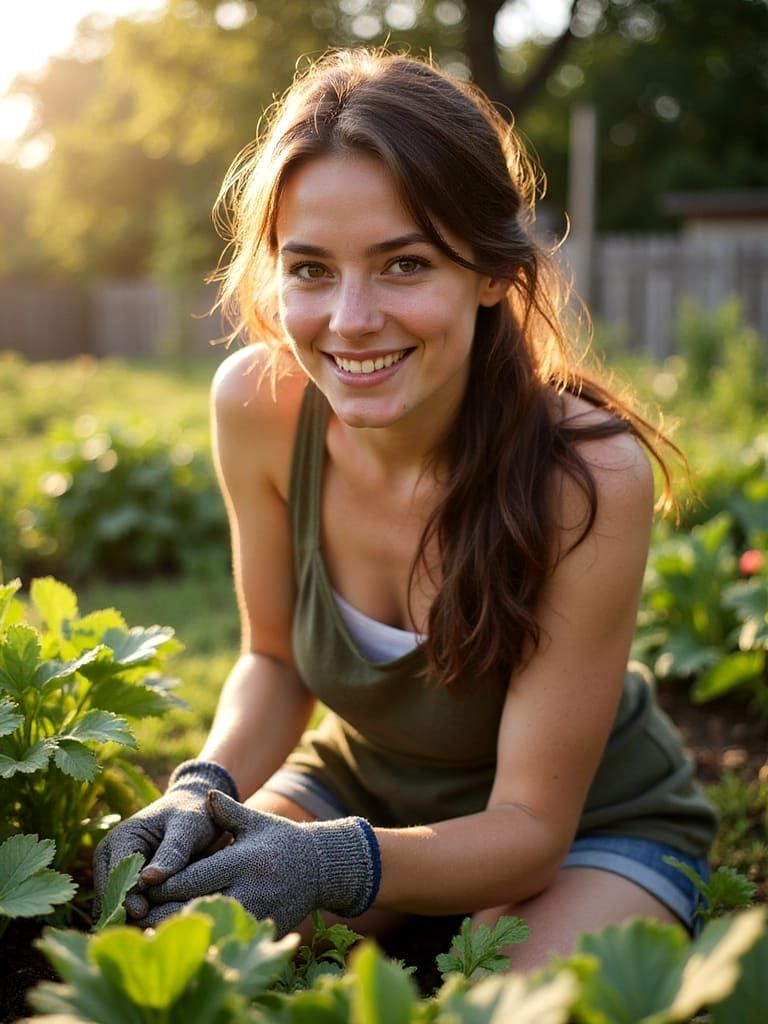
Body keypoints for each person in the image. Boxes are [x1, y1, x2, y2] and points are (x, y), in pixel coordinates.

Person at [94, 48, 717, 970]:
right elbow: (275, 659)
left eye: (404, 263)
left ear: (493, 271)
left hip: (588, 828)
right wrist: (203, 784)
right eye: (311, 269)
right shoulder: (258, 408)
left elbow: (530, 827)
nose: (350, 319)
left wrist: (331, 864)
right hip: (358, 794)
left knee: (503, 1008)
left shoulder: (585, 474)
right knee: (179, 964)